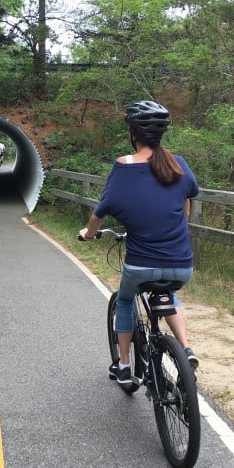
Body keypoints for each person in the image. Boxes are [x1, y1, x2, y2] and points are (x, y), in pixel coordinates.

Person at [79, 100, 200, 386]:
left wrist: (89, 233)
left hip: (141, 265)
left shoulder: (124, 166)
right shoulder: (177, 163)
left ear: (133, 133)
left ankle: (123, 365)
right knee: (170, 293)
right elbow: (185, 208)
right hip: (181, 264)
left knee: (124, 299)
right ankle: (185, 348)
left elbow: (101, 211)